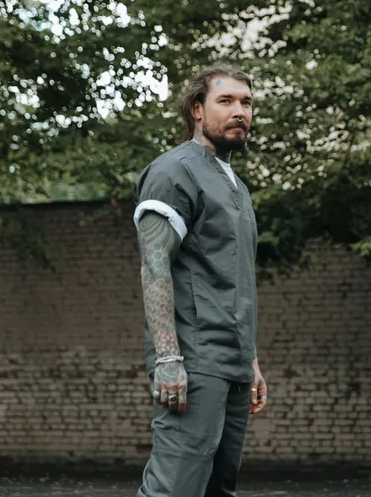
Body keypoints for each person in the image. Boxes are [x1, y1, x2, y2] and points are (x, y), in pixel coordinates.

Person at [132, 63, 268, 497]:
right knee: (174, 489)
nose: (239, 111)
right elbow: (155, 266)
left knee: (217, 489)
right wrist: (168, 360)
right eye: (225, 101)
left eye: (246, 103)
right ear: (196, 109)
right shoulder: (173, 172)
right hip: (194, 360)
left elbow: (232, 280)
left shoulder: (237, 186)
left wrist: (250, 361)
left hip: (233, 363)